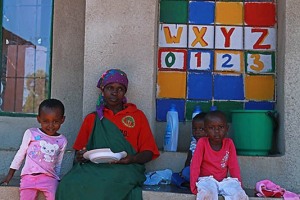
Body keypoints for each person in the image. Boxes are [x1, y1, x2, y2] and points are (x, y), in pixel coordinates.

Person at [55, 69, 160, 200]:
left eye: (120, 89)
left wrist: (131, 159)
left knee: (104, 186)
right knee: (68, 183)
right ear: (103, 90)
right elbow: (78, 154)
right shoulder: (92, 119)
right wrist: (81, 156)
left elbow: (149, 152)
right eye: (110, 88)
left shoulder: (137, 116)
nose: (114, 93)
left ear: (125, 92)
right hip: (94, 167)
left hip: (126, 168)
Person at [0, 99, 67, 200]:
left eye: (55, 121)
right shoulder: (31, 133)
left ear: (62, 120)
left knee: (55, 197)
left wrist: (56, 179)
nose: (50, 125)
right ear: (38, 119)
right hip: (28, 177)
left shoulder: (62, 140)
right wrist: (10, 175)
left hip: (49, 178)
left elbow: (58, 162)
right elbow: (20, 154)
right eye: (45, 121)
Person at [190, 110, 248, 200]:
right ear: (205, 130)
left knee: (239, 194)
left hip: (223, 182)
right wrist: (193, 185)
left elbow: (234, 166)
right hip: (206, 180)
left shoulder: (229, 143)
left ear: (227, 128)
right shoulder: (202, 143)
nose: (216, 131)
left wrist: (238, 184)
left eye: (221, 127)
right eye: (211, 128)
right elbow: (195, 165)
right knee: (207, 194)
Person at [171, 112, 206, 188]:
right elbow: (188, 160)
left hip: (206, 173)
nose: (197, 132)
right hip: (193, 172)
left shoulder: (209, 144)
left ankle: (193, 184)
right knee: (175, 176)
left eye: (201, 129)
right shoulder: (193, 143)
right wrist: (183, 171)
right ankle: (190, 184)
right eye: (194, 129)